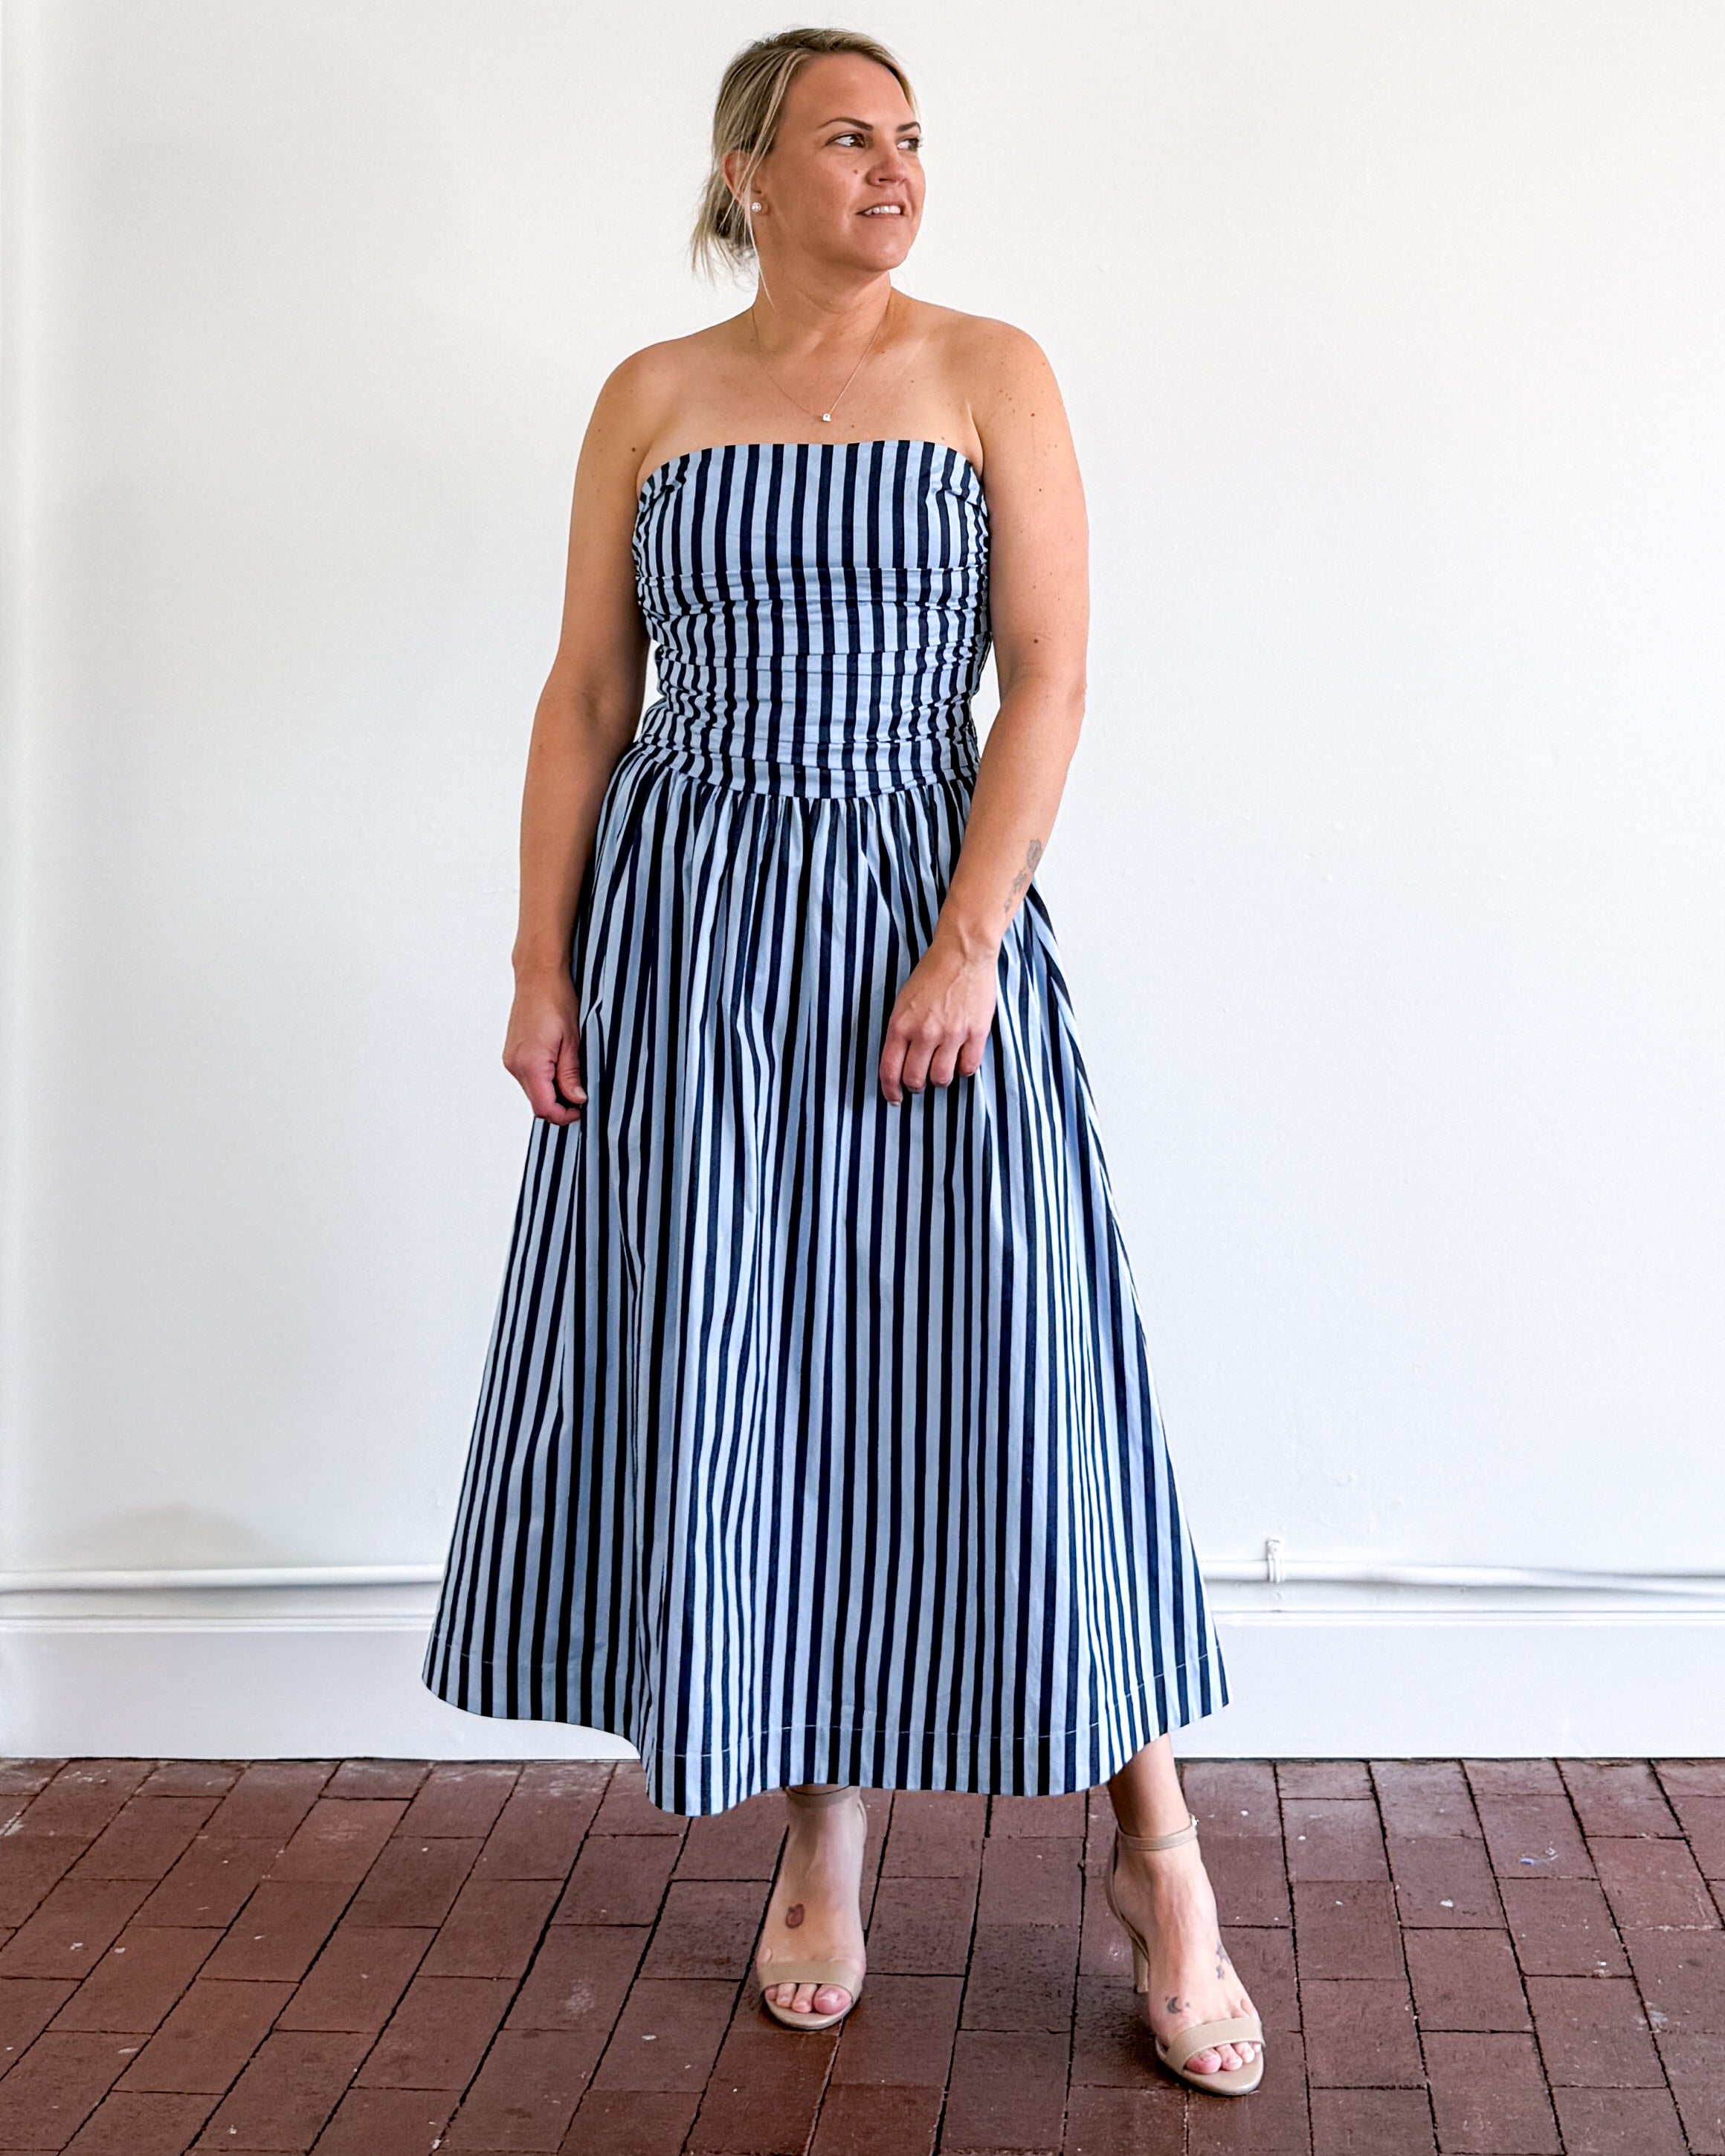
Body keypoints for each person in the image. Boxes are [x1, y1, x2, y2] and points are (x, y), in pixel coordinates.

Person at [424, 25, 1262, 2095]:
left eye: (911, 139)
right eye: (848, 138)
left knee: (1025, 1368)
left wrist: (970, 939)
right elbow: (589, 688)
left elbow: (1049, 677)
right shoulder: (653, 395)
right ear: (747, 172)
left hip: (914, 906)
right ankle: (823, 1828)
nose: (894, 170)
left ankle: (1159, 1852)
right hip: (692, 943)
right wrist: (540, 959)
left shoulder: (990, 371)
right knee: (765, 1379)